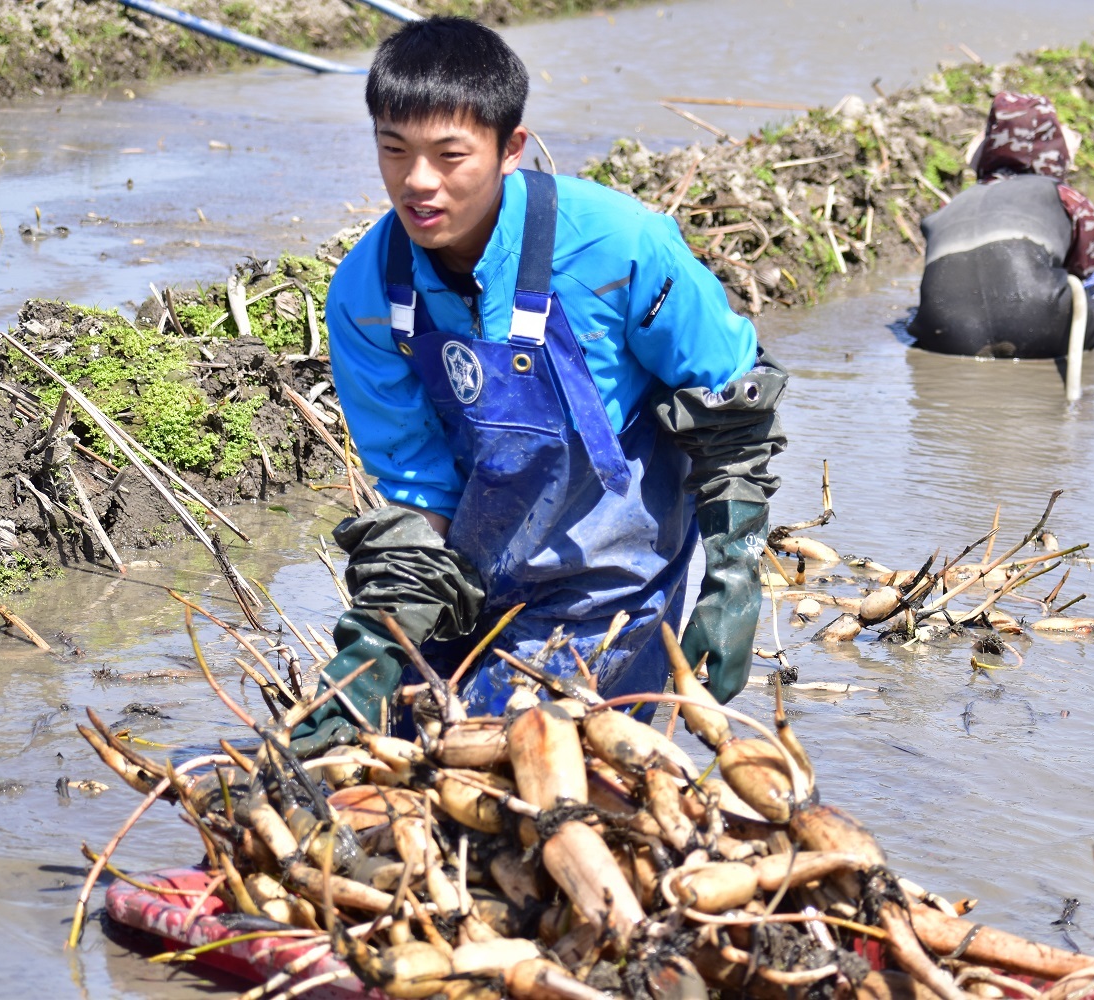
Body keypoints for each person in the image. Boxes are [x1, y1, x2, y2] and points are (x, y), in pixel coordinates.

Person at [292, 17, 786, 753]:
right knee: (387, 756)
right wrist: (373, 650)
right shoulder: (366, 294)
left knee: (527, 773)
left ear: (509, 149)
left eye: (450, 155)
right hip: (468, 583)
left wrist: (734, 576)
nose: (418, 182)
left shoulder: (620, 246)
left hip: (612, 588)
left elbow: (731, 407)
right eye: (394, 151)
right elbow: (420, 496)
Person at [908, 91, 1094, 359]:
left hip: (943, 329)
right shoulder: (1065, 198)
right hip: (1036, 316)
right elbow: (1084, 273)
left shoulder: (951, 206)